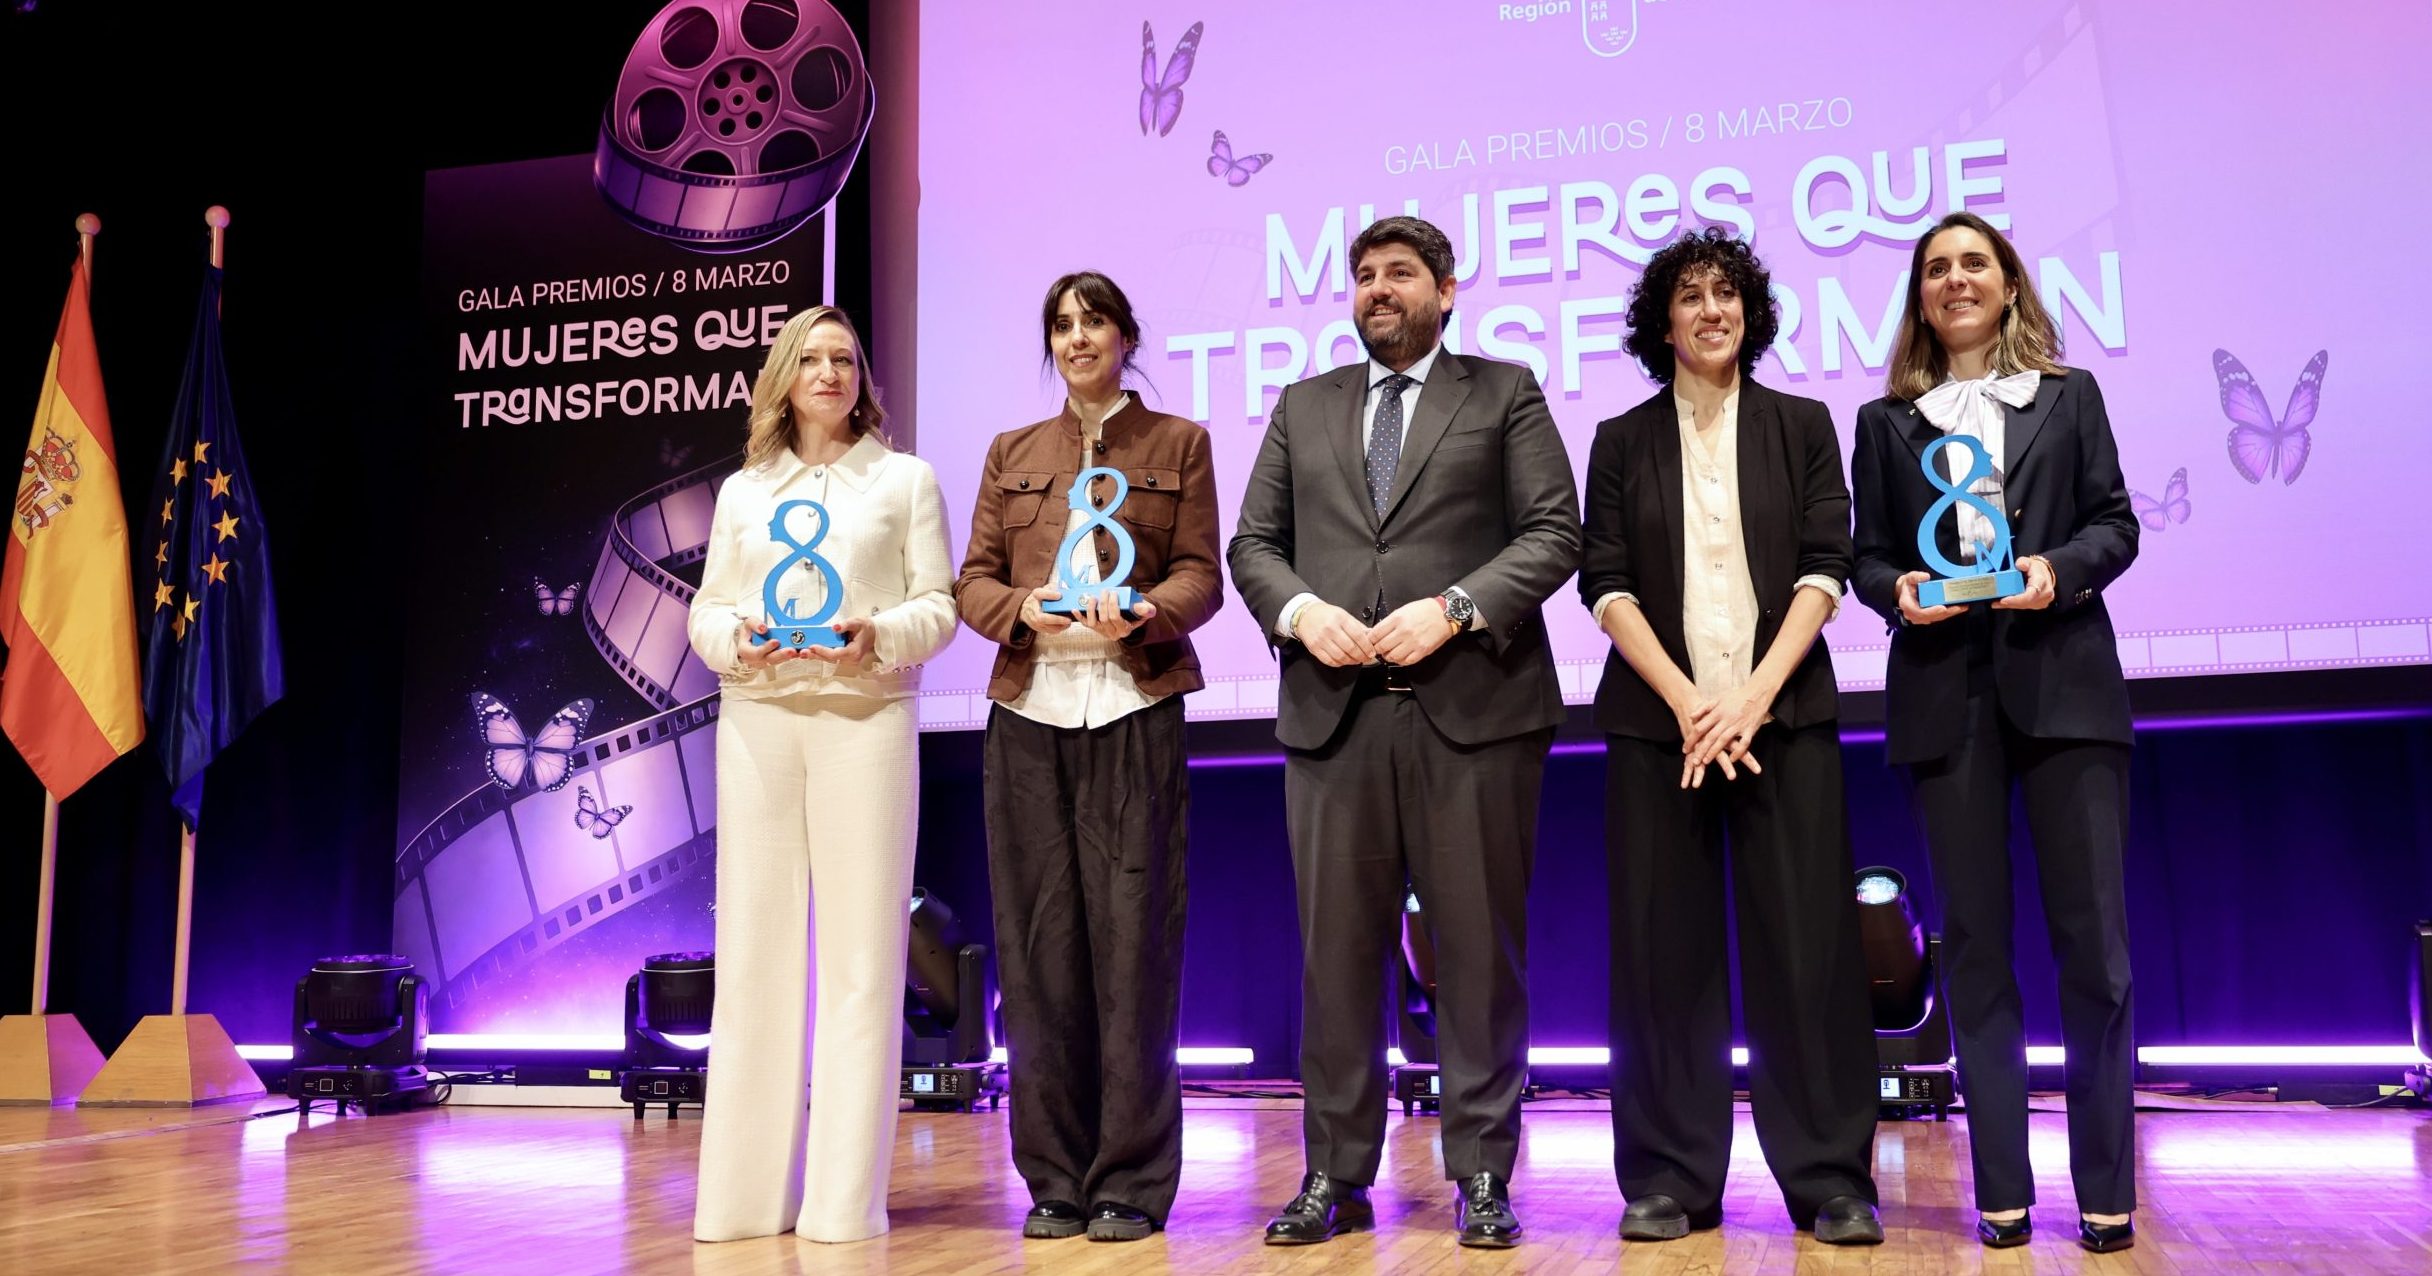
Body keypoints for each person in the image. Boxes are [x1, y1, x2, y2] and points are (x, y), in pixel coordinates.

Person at [1228, 215, 1581, 1250]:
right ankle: (1332, 1174)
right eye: (1364, 276)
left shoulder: (1502, 390)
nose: (1379, 289)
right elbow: (1254, 543)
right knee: (1334, 960)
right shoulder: (1304, 406)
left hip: (1473, 714)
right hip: (1333, 723)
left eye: (1400, 274)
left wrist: (1455, 606)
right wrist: (1300, 612)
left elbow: (1552, 530)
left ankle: (1479, 1172)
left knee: (1473, 958)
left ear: (1446, 288)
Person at [1579, 227, 1883, 1246]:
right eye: (1690, 296)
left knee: (1808, 951)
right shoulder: (1619, 441)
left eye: (1726, 295)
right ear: (1659, 321)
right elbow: (1604, 582)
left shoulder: (1802, 423)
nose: (1711, 311)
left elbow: (1823, 566)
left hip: (1780, 718)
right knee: (1661, 957)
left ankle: (1830, 1177)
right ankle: (1667, 1176)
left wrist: (1750, 696)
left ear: (1746, 312)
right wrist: (1685, 702)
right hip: (1656, 727)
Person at [1850, 211, 2140, 1254]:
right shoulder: (1886, 421)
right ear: (1919, 296)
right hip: (1944, 696)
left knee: (2093, 954)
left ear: (2009, 284)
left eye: (1973, 263)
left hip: (2064, 686)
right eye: (1935, 269)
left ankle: (2106, 1192)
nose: (1954, 280)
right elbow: (1867, 558)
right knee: (1973, 953)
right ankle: (2001, 1194)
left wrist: (2054, 571)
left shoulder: (2068, 399)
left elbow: (2114, 522)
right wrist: (1903, 590)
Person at [953, 271, 1224, 1243]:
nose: (1077, 338)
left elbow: (1202, 572)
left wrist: (1150, 608)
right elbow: (972, 580)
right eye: (1061, 325)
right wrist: (1020, 608)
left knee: (1134, 950)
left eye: (1092, 321)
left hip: (1131, 705)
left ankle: (1130, 1180)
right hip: (1029, 711)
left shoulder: (1177, 443)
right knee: (1038, 956)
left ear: (1123, 335)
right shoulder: (1010, 452)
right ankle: (1055, 1178)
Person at [688, 305, 956, 1244]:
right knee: (756, 959)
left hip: (865, 723)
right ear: (784, 376)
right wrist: (738, 644)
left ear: (862, 378)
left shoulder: (905, 479)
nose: (831, 371)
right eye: (812, 357)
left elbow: (939, 606)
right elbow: (707, 612)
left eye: (845, 357)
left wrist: (879, 636)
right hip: (758, 721)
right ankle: (742, 1200)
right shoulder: (743, 492)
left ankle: (843, 1205)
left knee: (858, 964)